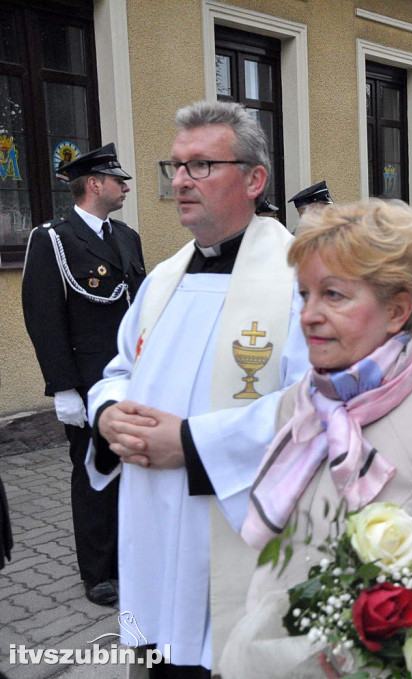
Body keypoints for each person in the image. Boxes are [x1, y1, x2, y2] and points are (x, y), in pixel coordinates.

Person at [216, 200, 412, 677]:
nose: (308, 315)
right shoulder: (299, 404)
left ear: (397, 310)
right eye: (305, 294)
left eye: (333, 295)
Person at [85, 100, 310, 676]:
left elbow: (317, 408)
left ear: (255, 179)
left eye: (201, 166)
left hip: (238, 534)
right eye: (176, 166)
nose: (181, 180)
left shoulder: (300, 283)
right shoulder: (163, 277)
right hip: (154, 525)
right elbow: (119, 370)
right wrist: (107, 414)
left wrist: (190, 444)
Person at [21, 143, 145, 607]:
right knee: (94, 474)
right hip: (89, 381)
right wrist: (63, 388)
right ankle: (98, 573)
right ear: (95, 184)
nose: (126, 187)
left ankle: (130, 558)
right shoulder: (53, 237)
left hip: (132, 377)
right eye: (119, 180)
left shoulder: (127, 236)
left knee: (134, 470)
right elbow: (43, 317)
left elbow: (139, 308)